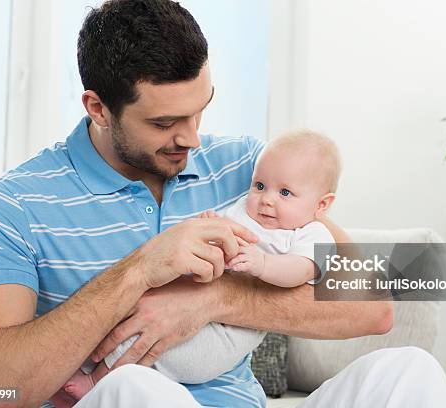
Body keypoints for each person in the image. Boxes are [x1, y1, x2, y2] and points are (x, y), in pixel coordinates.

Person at [0, 1, 446, 407]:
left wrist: (217, 299)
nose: (192, 139)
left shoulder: (253, 173)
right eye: (163, 123)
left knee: (409, 370)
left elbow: (373, 310)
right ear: (97, 108)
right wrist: (137, 271)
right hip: (131, 398)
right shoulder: (12, 205)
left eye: (201, 111)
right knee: (135, 389)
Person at [60, 130, 340, 403]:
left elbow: (300, 270)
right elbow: (223, 230)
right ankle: (93, 381)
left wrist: (263, 264)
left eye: (286, 193)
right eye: (260, 186)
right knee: (134, 325)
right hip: (189, 315)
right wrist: (211, 226)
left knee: (148, 347)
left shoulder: (313, 235)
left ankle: (96, 382)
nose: (267, 199)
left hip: (225, 338)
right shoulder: (248, 209)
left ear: (321, 204)